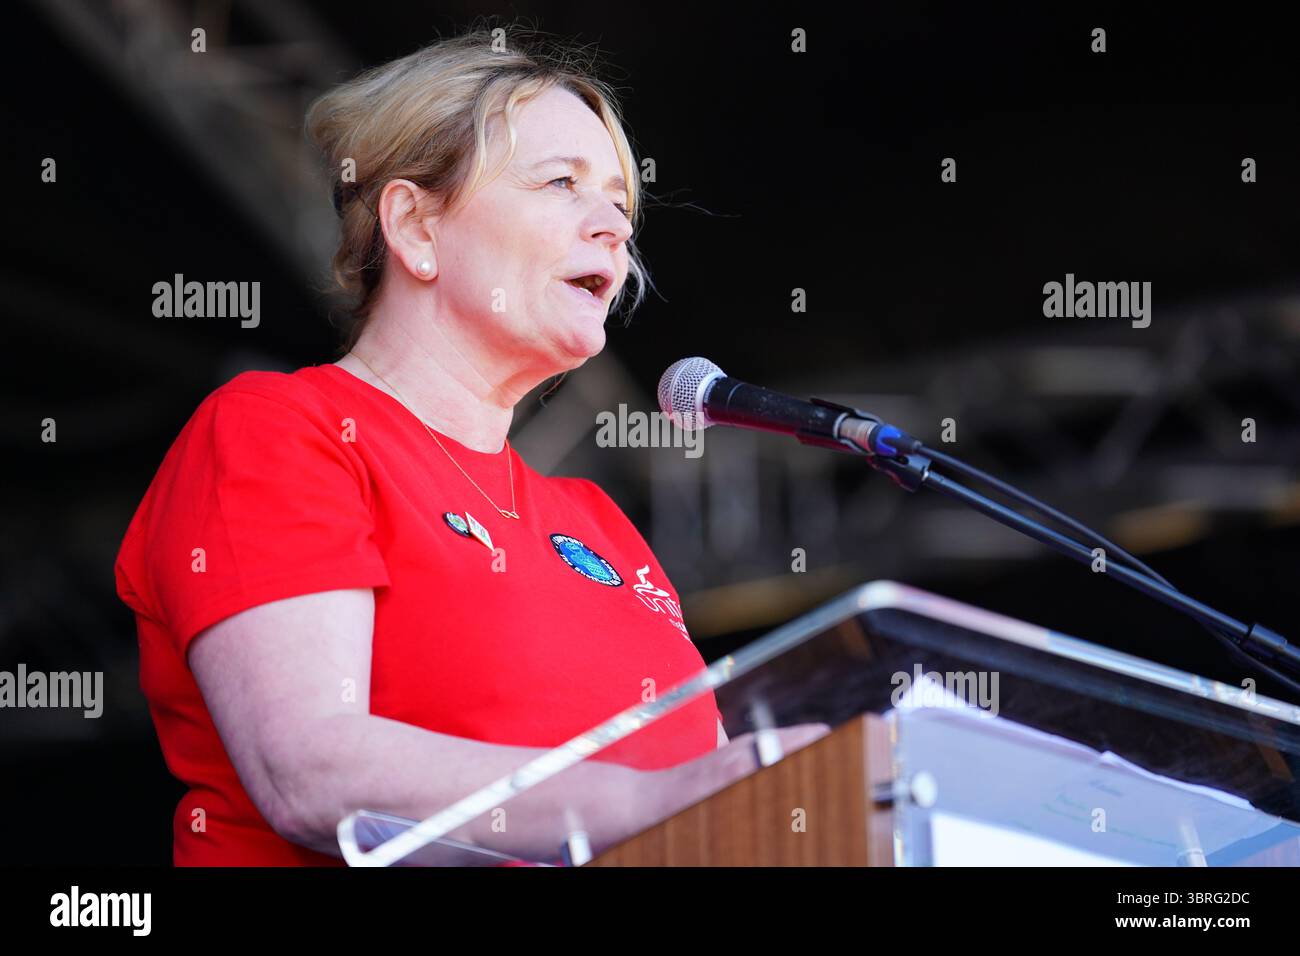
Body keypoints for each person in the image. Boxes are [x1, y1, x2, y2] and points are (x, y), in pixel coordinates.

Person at [114, 26, 825, 867]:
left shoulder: (596, 522)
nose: (611, 228)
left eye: (620, 206)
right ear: (415, 226)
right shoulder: (280, 428)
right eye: (562, 183)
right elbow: (310, 768)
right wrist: (646, 802)